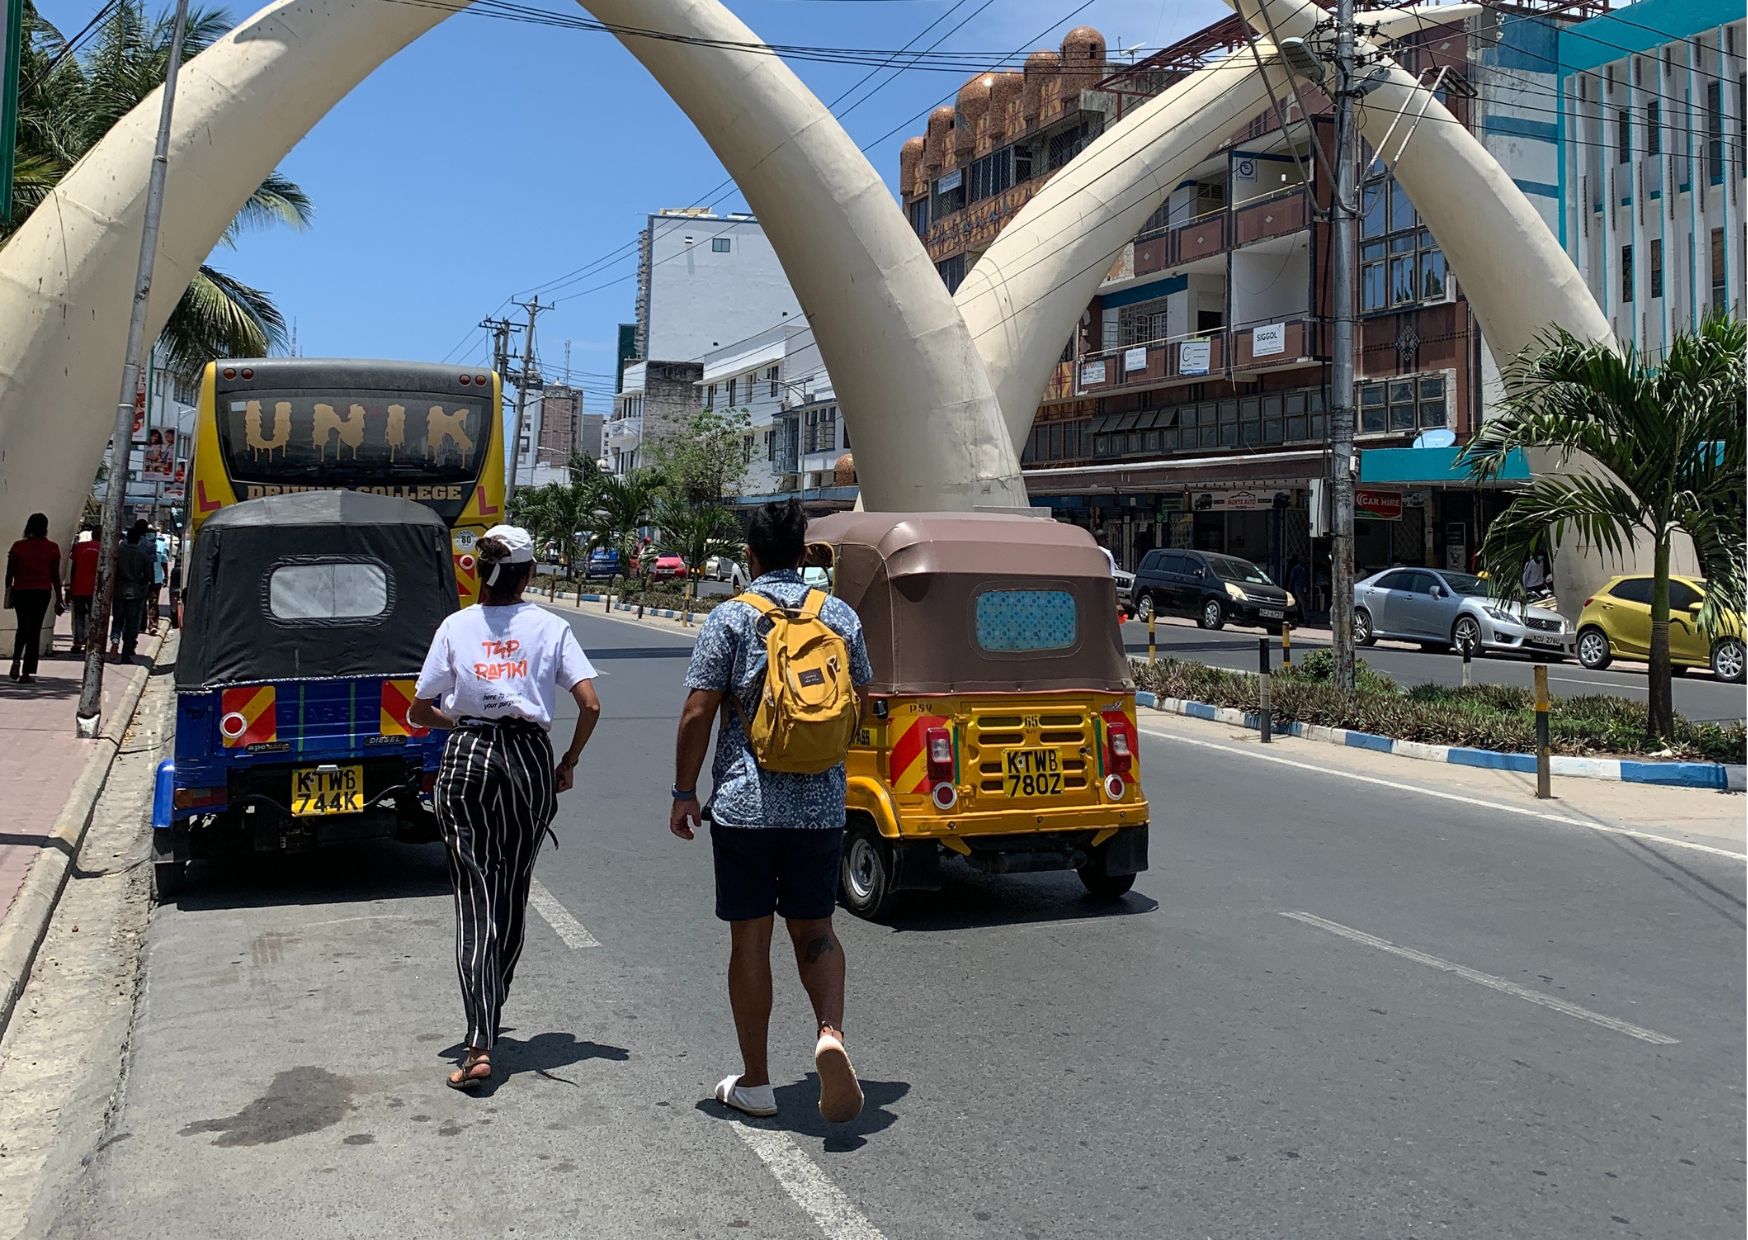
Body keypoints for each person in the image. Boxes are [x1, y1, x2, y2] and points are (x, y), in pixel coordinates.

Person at [670, 499, 874, 1125]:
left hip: (744, 807)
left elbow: (698, 713)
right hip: (819, 808)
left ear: (750, 555)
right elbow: (858, 703)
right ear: (805, 551)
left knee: (750, 940)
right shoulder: (838, 615)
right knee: (816, 930)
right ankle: (830, 1033)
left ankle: (757, 1082)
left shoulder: (731, 618)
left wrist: (683, 793)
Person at [409, 524, 603, 1091]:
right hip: (528, 765)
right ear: (528, 575)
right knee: (512, 894)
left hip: (468, 758)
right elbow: (589, 704)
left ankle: (478, 1042)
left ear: (479, 573)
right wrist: (567, 762)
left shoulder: (456, 627)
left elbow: (421, 710)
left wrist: (464, 721)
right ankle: (489, 1019)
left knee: (475, 899)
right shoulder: (552, 627)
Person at [6, 513, 64, 683]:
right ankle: (26, 672)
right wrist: (59, 598)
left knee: (22, 626)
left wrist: (8, 592)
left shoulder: (18, 547)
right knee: (34, 629)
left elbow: (10, 575)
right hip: (41, 592)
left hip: (21, 591)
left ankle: (16, 659)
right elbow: (55, 576)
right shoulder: (52, 548)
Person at [108, 521, 153, 662]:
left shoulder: (118, 551)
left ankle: (114, 642)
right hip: (136, 592)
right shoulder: (143, 554)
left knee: (117, 620)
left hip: (119, 590)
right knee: (131, 624)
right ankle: (127, 652)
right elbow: (149, 576)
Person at [67, 529, 101, 656]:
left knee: (79, 615)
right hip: (96, 589)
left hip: (79, 586)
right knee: (94, 616)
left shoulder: (79, 547)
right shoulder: (104, 549)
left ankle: (78, 641)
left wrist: (70, 586)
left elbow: (73, 567)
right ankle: (91, 640)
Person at [147, 525, 169, 627]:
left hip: (156, 579)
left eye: (152, 532)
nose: (150, 534)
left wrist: (166, 577)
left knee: (154, 602)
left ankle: (153, 625)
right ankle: (141, 626)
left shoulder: (161, 545)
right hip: (143, 579)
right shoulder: (141, 544)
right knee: (141, 604)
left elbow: (164, 562)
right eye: (148, 531)